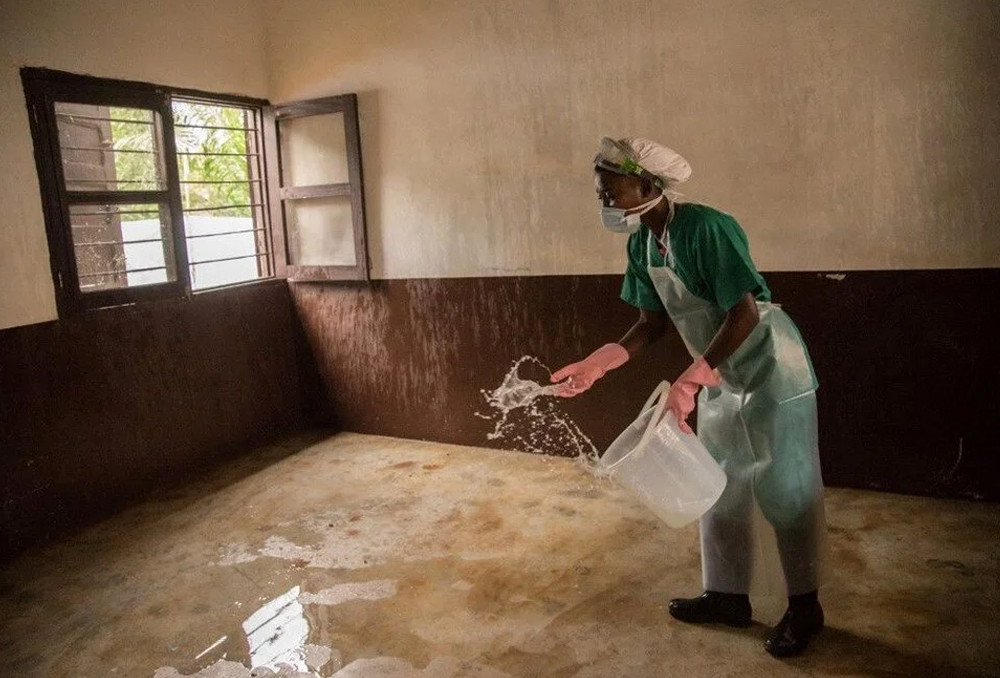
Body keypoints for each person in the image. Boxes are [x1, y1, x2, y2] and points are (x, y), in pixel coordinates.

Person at [551, 137, 827, 657]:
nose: (605, 202)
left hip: (769, 365)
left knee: (784, 486)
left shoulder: (706, 227)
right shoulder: (640, 245)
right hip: (716, 371)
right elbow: (649, 324)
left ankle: (806, 608)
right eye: (600, 192)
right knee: (718, 483)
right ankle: (727, 597)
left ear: (648, 186)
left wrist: (691, 381)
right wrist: (596, 365)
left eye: (611, 190)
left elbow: (743, 312)